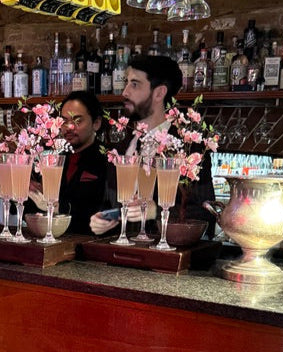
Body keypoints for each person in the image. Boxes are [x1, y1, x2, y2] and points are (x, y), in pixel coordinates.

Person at [90, 55, 216, 237]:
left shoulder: (190, 149)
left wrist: (156, 212)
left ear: (159, 93)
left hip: (167, 260)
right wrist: (103, 220)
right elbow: (110, 205)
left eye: (134, 84)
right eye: (126, 83)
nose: (124, 92)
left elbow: (206, 212)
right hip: (120, 258)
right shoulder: (120, 146)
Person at [28, 91, 116, 235]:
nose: (69, 127)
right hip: (56, 245)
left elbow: (115, 214)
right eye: (64, 121)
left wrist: (62, 208)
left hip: (93, 249)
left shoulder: (110, 162)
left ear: (96, 123)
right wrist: (26, 194)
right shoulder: (56, 161)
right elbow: (38, 211)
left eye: (77, 121)